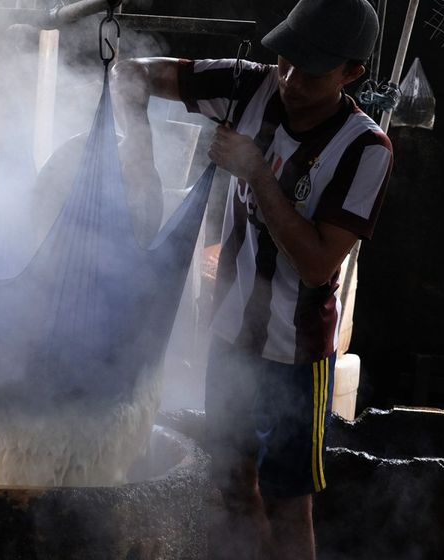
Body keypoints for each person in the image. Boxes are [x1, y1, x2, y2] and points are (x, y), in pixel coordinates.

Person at [112, 0, 392, 558]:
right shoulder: (249, 87)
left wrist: (258, 172)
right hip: (228, 334)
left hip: (298, 352)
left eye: (311, 71)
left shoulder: (366, 150)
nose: (289, 80)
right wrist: (140, 156)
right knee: (231, 483)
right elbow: (130, 73)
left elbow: (317, 264)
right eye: (285, 60)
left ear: (351, 73)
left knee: (291, 502)